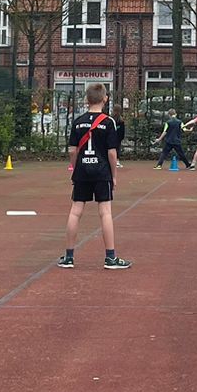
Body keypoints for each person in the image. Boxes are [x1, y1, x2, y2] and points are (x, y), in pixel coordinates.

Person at [59, 83, 131, 270]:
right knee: (105, 212)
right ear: (105, 99)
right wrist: (113, 175)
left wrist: (76, 168)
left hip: (82, 171)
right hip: (101, 171)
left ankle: (69, 257)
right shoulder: (108, 122)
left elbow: (72, 150)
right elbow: (112, 153)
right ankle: (110, 257)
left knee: (75, 211)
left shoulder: (77, 122)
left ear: (86, 100)